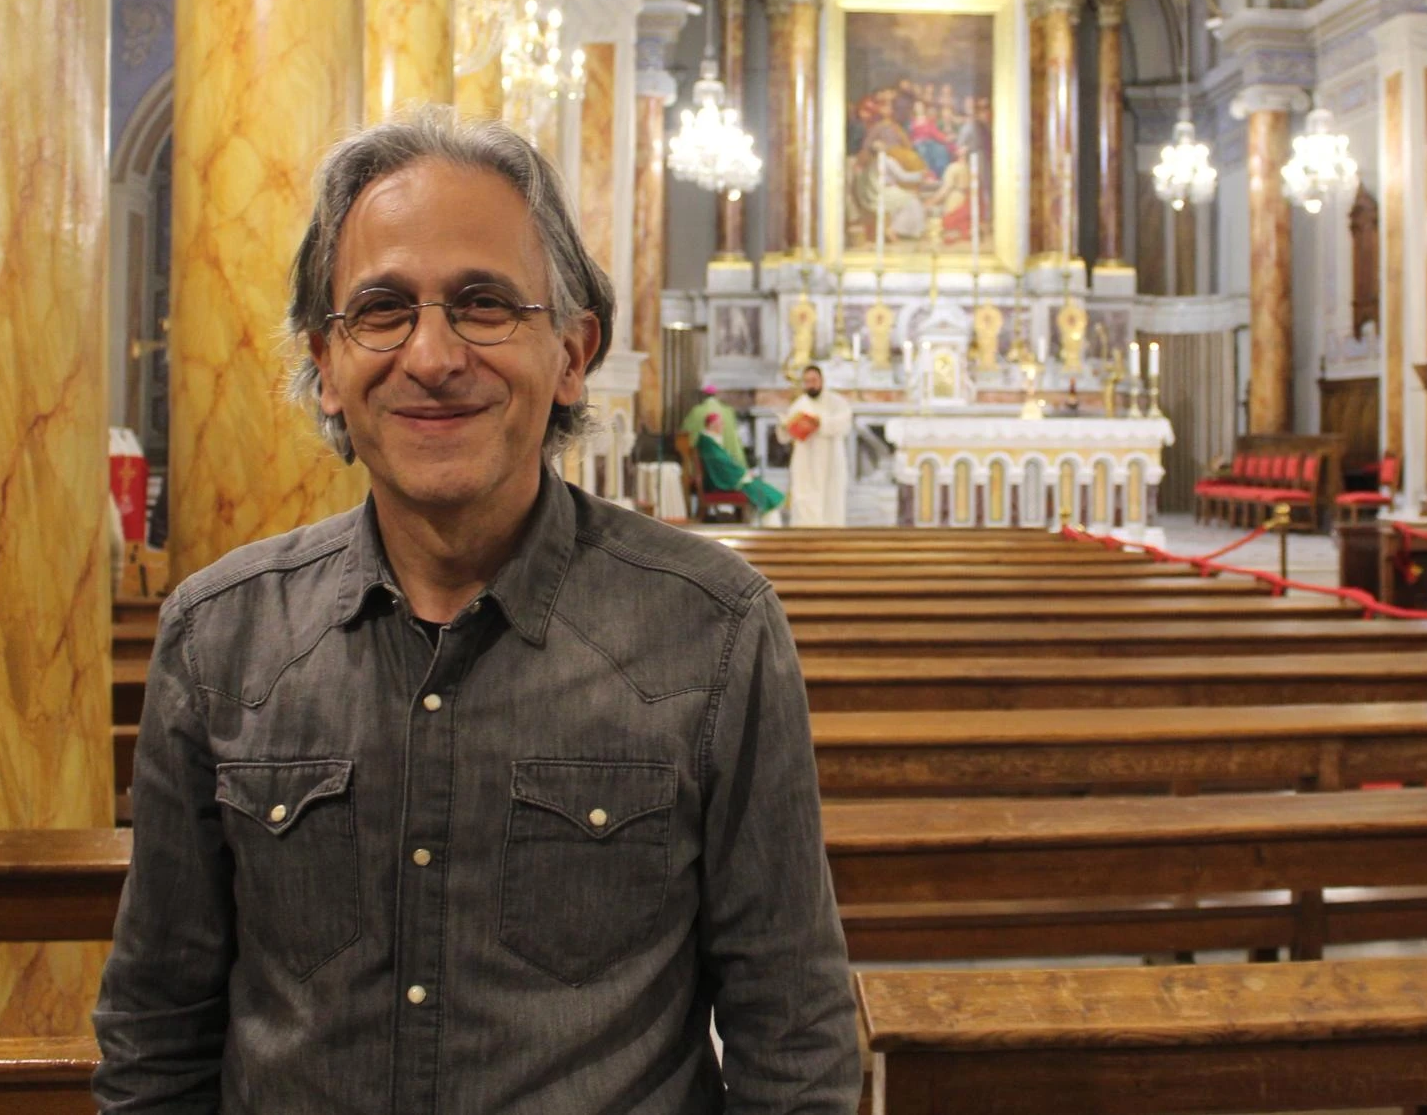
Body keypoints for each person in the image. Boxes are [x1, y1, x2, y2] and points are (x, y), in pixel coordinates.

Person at [93, 110, 860, 1114]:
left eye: (484, 304)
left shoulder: (712, 631)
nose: (431, 355)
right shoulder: (218, 637)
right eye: (380, 310)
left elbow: (792, 1031)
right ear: (327, 367)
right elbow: (157, 1030)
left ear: (573, 353)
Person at [776, 365, 853, 527]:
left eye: (813, 380)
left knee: (831, 502)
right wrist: (784, 427)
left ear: (822, 380)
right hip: (805, 463)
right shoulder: (799, 405)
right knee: (804, 500)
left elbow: (845, 423)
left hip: (830, 461)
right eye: (807, 381)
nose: (810, 385)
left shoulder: (836, 402)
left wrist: (820, 422)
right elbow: (786, 436)